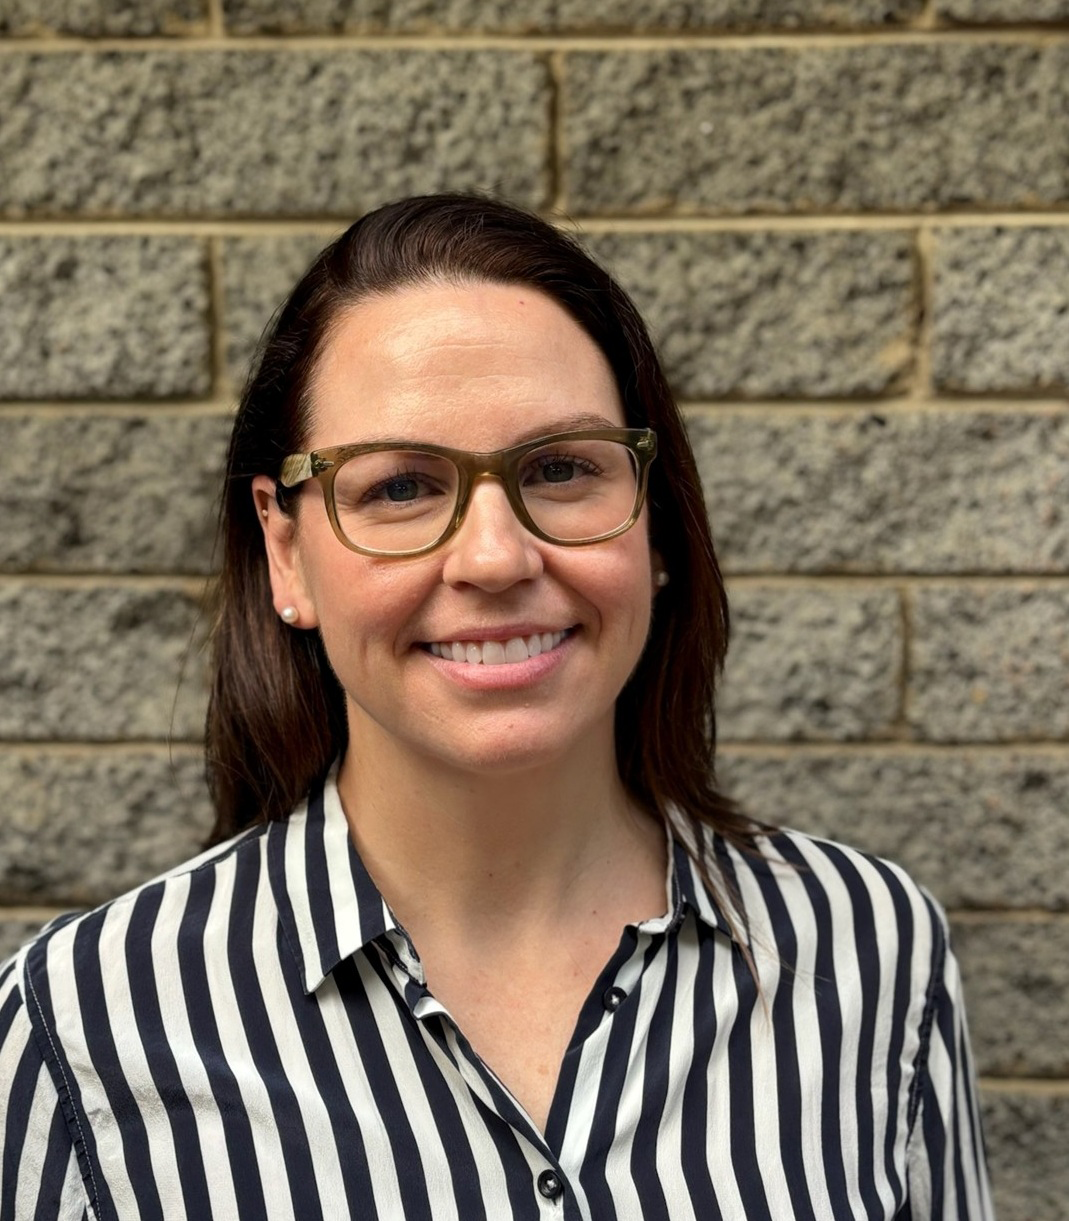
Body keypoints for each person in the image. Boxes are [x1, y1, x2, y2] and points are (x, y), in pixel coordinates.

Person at [0, 194, 993, 1220]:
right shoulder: (82, 1030)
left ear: (654, 524)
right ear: (286, 550)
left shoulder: (869, 953)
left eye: (560, 469)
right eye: (399, 488)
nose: (494, 558)